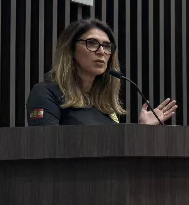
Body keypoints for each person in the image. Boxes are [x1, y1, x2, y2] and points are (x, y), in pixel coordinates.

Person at [26, 18, 177, 126]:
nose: (101, 51)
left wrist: (142, 130)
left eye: (106, 46)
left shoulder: (105, 105)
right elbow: (46, 148)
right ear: (70, 50)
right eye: (91, 43)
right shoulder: (46, 93)